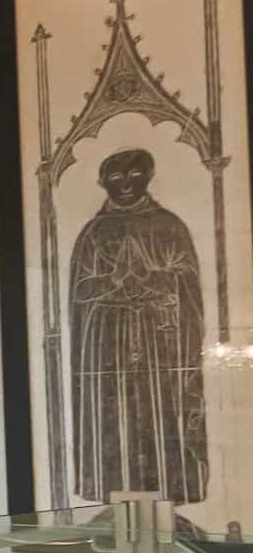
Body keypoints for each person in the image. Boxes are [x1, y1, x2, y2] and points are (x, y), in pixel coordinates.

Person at [69, 147, 208, 502]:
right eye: (115, 177)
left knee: (159, 413)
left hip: (159, 341)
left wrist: (151, 280)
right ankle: (115, 500)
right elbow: (79, 292)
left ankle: (168, 499)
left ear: (149, 176)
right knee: (116, 419)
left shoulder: (169, 227)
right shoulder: (92, 233)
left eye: (135, 175)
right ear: (102, 183)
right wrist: (111, 283)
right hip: (108, 343)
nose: (126, 185)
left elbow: (187, 282)